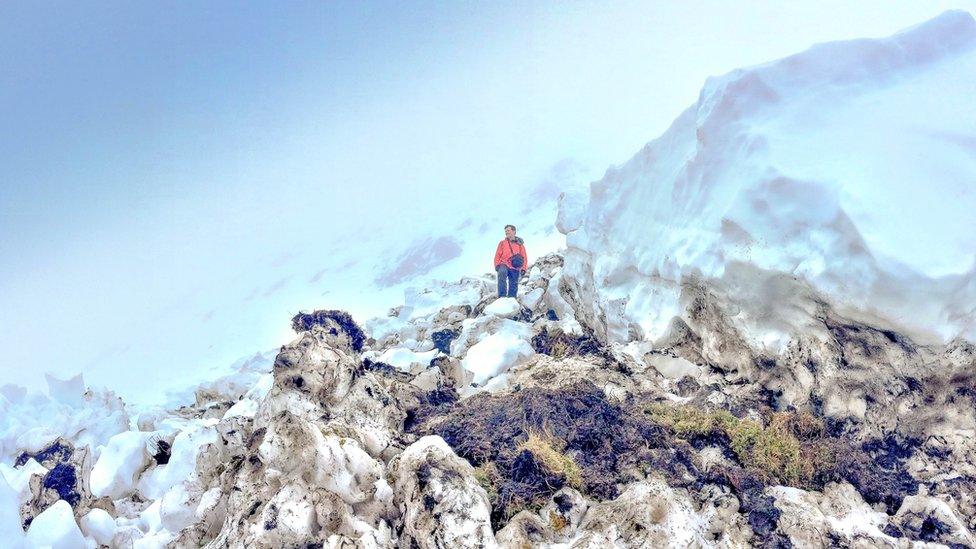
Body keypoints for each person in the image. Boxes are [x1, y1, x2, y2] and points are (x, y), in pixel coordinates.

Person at [494, 224, 528, 298]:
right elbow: (497, 255)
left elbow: (524, 256)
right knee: (502, 273)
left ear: (514, 231)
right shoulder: (502, 243)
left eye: (508, 230)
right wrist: (497, 265)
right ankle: (502, 297)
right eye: (505, 231)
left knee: (513, 283)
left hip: (515, 266)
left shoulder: (520, 244)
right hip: (504, 263)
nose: (506, 232)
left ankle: (511, 300)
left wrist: (523, 268)